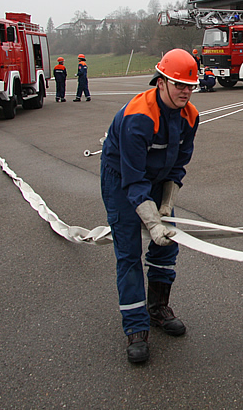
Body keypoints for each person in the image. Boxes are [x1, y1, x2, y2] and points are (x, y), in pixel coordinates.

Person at [100, 48, 200, 364]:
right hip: (121, 178)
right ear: (161, 82)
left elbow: (179, 164)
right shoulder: (138, 118)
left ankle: (157, 309)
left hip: (158, 178)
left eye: (190, 85)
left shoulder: (191, 116)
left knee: (167, 245)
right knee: (128, 251)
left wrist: (167, 205)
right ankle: (136, 328)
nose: (185, 91)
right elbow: (133, 180)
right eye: (179, 84)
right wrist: (150, 220)